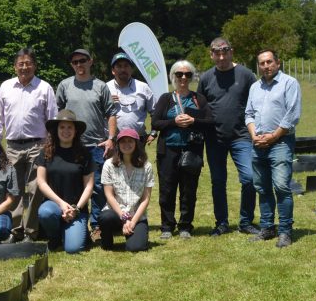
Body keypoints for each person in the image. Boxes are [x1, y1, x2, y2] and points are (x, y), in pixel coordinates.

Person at [0, 47, 57, 242]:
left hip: (38, 145)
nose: (24, 67)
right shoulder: (6, 87)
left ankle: (31, 231)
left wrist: (50, 145)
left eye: (28, 63)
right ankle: (15, 230)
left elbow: (52, 119)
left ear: (34, 66)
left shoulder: (44, 88)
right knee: (13, 190)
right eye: (21, 64)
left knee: (36, 189)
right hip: (12, 147)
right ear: (15, 67)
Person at [199, 37, 259, 236]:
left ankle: (246, 222)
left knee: (249, 178)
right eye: (217, 53)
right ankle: (222, 223)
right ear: (211, 55)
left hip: (242, 136)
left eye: (225, 52)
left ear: (231, 52)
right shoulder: (206, 78)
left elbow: (257, 102)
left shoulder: (246, 75)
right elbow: (200, 106)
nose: (222, 57)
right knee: (218, 181)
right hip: (214, 138)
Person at [56, 47, 115, 242]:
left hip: (97, 145)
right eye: (75, 62)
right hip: (71, 146)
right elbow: (58, 113)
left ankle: (96, 226)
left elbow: (111, 113)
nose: (79, 65)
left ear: (90, 61)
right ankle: (76, 222)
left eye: (82, 60)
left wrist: (111, 138)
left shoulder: (100, 86)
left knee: (97, 187)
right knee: (75, 187)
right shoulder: (64, 85)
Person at [151, 60, 214, 239]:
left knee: (189, 190)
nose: (183, 78)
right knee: (167, 190)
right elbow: (155, 122)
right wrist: (174, 122)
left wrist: (194, 121)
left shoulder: (198, 99)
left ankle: (185, 226)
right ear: (173, 76)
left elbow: (210, 121)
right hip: (168, 151)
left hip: (191, 150)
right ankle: (167, 226)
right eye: (179, 74)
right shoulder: (165, 98)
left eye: (188, 74)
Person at [245, 49, 302, 248]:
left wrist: (273, 136)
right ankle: (267, 228)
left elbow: (292, 114)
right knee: (262, 187)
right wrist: (254, 136)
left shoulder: (289, 83)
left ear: (278, 63)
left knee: (281, 187)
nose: (266, 66)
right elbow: (249, 114)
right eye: (262, 63)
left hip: (281, 142)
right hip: (258, 143)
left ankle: (285, 231)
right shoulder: (254, 87)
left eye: (269, 62)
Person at [34, 110, 95, 253]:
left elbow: (89, 186)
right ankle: (55, 238)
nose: (66, 131)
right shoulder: (46, 152)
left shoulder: (84, 154)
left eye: (69, 127)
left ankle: (77, 231)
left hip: (76, 209)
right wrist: (61, 204)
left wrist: (76, 209)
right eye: (62, 127)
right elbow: (41, 182)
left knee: (73, 249)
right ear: (56, 130)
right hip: (53, 206)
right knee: (45, 213)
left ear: (75, 131)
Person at [99, 128, 154, 253]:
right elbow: (109, 195)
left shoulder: (147, 166)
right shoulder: (109, 165)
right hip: (115, 212)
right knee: (105, 217)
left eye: (130, 141)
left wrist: (132, 222)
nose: (126, 144)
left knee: (135, 247)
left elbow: (145, 199)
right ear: (118, 145)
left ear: (136, 144)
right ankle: (107, 241)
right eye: (123, 141)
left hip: (136, 215)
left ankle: (132, 232)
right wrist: (124, 218)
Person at [106, 51, 158, 144]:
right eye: (119, 66)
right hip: (113, 140)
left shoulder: (143, 87)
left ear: (131, 69)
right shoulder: (105, 88)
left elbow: (155, 112)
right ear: (113, 70)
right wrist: (107, 104)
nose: (123, 69)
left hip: (138, 139)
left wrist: (153, 132)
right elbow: (97, 113)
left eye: (126, 66)